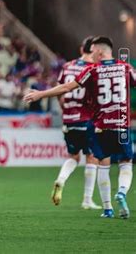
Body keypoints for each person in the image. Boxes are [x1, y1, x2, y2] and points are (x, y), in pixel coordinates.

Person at [24, 36, 135, 219]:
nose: (93, 55)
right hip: (117, 125)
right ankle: (118, 193)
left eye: (94, 52)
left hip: (95, 126)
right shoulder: (125, 67)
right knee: (125, 164)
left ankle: (107, 209)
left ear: (98, 51)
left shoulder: (90, 70)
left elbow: (65, 88)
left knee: (99, 163)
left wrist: (41, 95)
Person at [50, 37, 101, 210]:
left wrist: (63, 106)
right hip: (86, 118)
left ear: (81, 49)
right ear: (94, 51)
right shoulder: (94, 69)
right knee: (92, 157)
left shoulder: (67, 66)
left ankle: (61, 179)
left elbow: (59, 90)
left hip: (69, 118)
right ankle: (87, 200)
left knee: (73, 156)